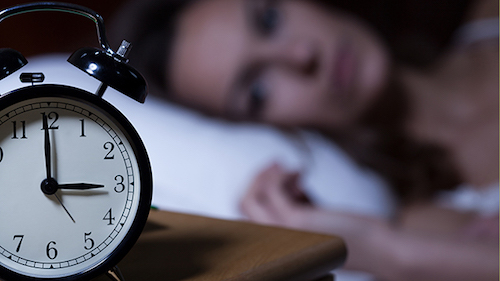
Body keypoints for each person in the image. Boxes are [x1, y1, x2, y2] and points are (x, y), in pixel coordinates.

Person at [109, 0, 499, 280]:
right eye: (257, 91)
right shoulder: (439, 228)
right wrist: (386, 253)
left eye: (270, 18)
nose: (301, 54)